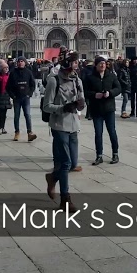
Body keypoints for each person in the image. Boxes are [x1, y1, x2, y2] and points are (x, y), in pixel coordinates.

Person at [41, 58, 85, 211]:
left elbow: (81, 96)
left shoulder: (77, 80)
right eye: (73, 63)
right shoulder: (54, 81)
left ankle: (52, 177)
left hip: (74, 124)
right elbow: (46, 106)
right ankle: (65, 199)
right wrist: (63, 108)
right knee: (66, 162)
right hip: (59, 125)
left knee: (72, 163)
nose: (77, 65)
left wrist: (81, 104)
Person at [85, 56, 121, 165]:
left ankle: (115, 154)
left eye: (104, 63)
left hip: (109, 108)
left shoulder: (111, 76)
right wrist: (95, 95)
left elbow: (118, 88)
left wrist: (110, 93)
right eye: (100, 63)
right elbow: (85, 91)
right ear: (96, 65)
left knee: (112, 132)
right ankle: (99, 155)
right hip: (96, 109)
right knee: (98, 133)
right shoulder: (90, 77)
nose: (103, 65)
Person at [6, 57, 40, 141]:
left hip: (25, 97)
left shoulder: (28, 72)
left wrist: (29, 94)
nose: (20, 63)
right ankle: (17, 132)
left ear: (25, 63)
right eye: (19, 61)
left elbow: (32, 84)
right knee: (16, 116)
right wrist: (12, 96)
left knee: (27, 115)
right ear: (16, 63)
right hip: (16, 98)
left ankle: (30, 133)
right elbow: (8, 86)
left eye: (22, 61)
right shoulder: (13, 73)